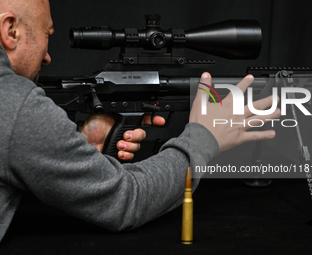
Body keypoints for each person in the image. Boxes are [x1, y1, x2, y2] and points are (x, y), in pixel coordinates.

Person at [0, 0, 280, 242]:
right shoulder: (17, 103)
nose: (48, 57)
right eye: (46, 33)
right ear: (10, 30)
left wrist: (72, 150)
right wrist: (204, 138)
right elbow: (124, 199)